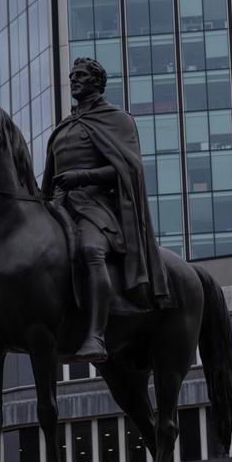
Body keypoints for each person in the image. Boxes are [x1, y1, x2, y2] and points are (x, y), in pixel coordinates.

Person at [40, 58, 173, 363]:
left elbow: (128, 169)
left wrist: (81, 177)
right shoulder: (64, 126)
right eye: (72, 75)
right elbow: (49, 178)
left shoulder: (117, 120)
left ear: (97, 82)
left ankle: (96, 335)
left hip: (97, 206)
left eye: (81, 75)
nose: (74, 80)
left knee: (91, 250)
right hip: (59, 205)